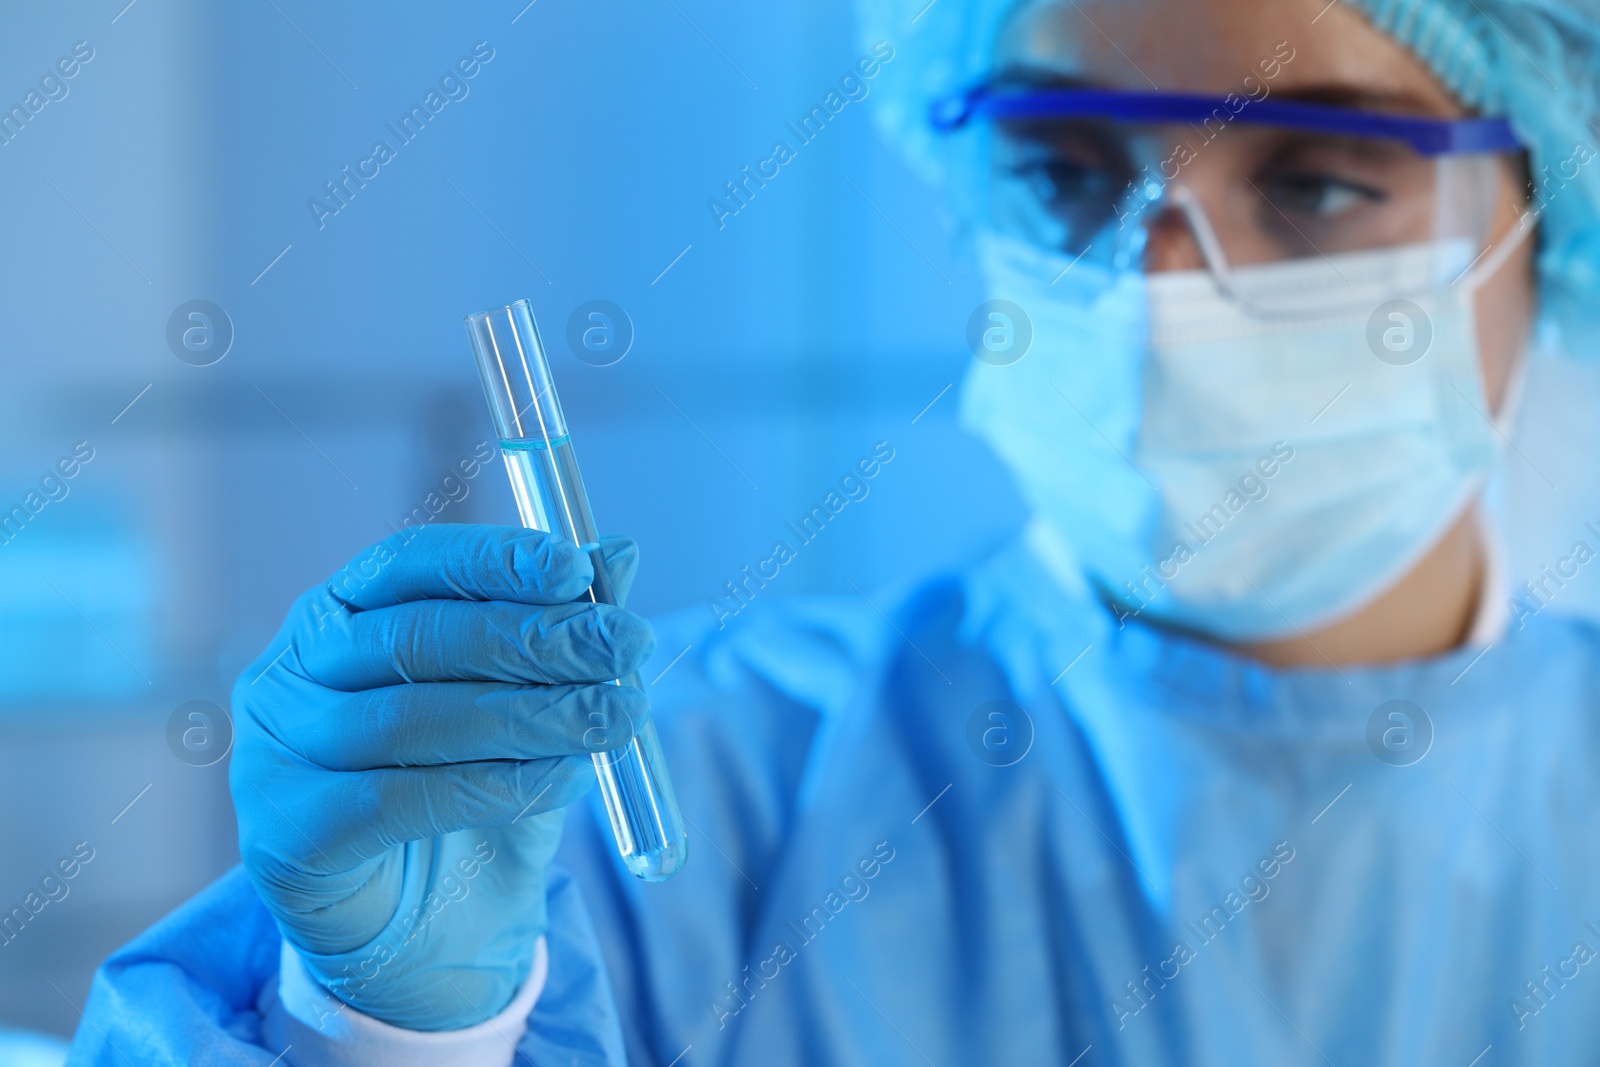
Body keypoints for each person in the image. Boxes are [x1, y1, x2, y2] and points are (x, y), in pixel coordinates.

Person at [64, 0, 1600, 1062]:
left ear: (1551, 213)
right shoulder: (652, 801)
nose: (1165, 289)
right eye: (1067, 172)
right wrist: (390, 1032)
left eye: (1320, 182)